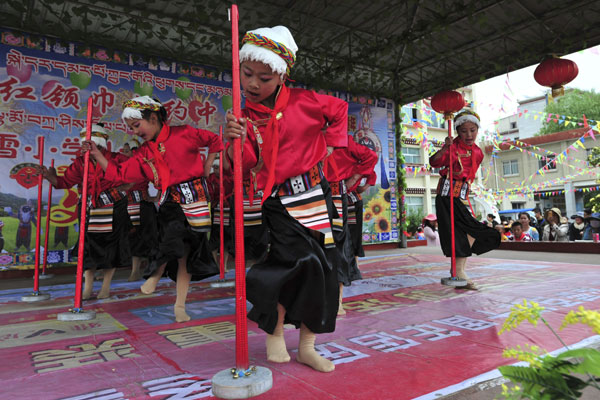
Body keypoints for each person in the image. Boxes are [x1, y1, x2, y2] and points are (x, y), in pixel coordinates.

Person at [224, 25, 348, 372]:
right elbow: (248, 164)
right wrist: (235, 141)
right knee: (291, 265)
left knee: (324, 271)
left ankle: (307, 346)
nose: (252, 84)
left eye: (264, 78)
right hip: (279, 201)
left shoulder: (305, 101)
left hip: (315, 194)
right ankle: (274, 332)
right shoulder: (243, 116)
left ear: (281, 75)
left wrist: (333, 146)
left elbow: (339, 109)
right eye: (247, 74)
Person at [85, 96, 222, 322]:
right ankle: (156, 274)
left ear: (154, 117)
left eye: (137, 125)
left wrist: (207, 165)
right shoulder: (144, 153)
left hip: (196, 197)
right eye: (131, 128)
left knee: (186, 256)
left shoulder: (185, 133)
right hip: (169, 199)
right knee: (171, 235)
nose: (135, 132)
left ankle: (180, 305)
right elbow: (119, 174)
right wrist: (98, 155)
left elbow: (215, 140)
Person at [39, 124, 131, 299]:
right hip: (89, 208)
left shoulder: (118, 159)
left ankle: (105, 288)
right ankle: (87, 288)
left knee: (111, 248)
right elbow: (63, 183)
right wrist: (49, 176)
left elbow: (135, 175)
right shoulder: (81, 163)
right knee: (88, 247)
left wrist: (124, 187)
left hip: (114, 206)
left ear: (102, 144)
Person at [429, 109, 500, 290]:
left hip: (462, 195)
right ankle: (460, 273)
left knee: (471, 232)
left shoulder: (478, 152)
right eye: (463, 131)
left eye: (472, 130)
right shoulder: (453, 148)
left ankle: (459, 271)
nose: (468, 135)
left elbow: (468, 177)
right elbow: (434, 162)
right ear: (457, 131)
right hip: (446, 195)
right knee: (459, 234)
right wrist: (446, 148)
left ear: (477, 130)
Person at [324, 135, 377, 316]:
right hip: (311, 194)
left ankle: (337, 301)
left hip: (338, 197)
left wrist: (355, 178)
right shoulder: (307, 135)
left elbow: (371, 158)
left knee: (339, 244)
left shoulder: (343, 140)